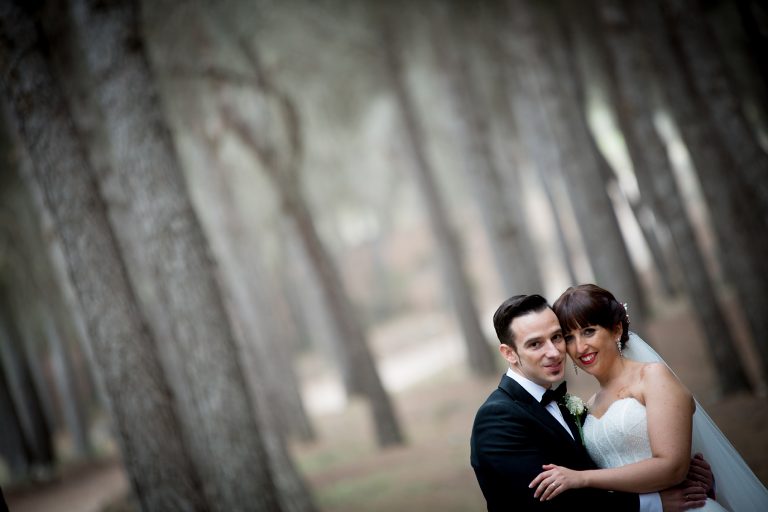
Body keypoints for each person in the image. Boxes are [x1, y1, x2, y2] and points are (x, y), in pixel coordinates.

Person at [528, 284, 768, 511]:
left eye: (589, 331)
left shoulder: (652, 377)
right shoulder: (588, 406)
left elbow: (672, 467)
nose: (580, 347)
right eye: (569, 337)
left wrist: (582, 479)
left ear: (616, 329)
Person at [470, 293, 711, 511]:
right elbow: (546, 503)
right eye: (535, 344)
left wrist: (685, 474)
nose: (554, 352)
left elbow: (600, 468)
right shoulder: (497, 418)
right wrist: (653, 502)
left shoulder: (570, 406)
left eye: (556, 337)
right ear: (509, 353)